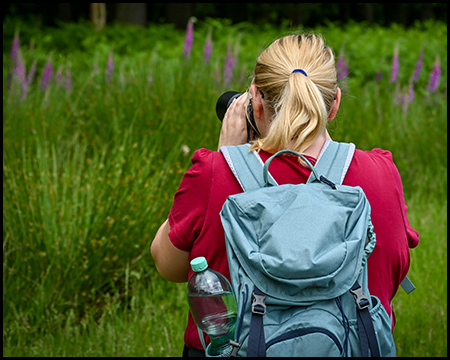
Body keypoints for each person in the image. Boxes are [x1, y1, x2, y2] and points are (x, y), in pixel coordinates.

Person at [150, 33, 419, 357]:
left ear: (256, 102)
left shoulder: (212, 172)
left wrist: (226, 158)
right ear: (334, 103)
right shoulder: (380, 173)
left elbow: (168, 265)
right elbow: (393, 272)